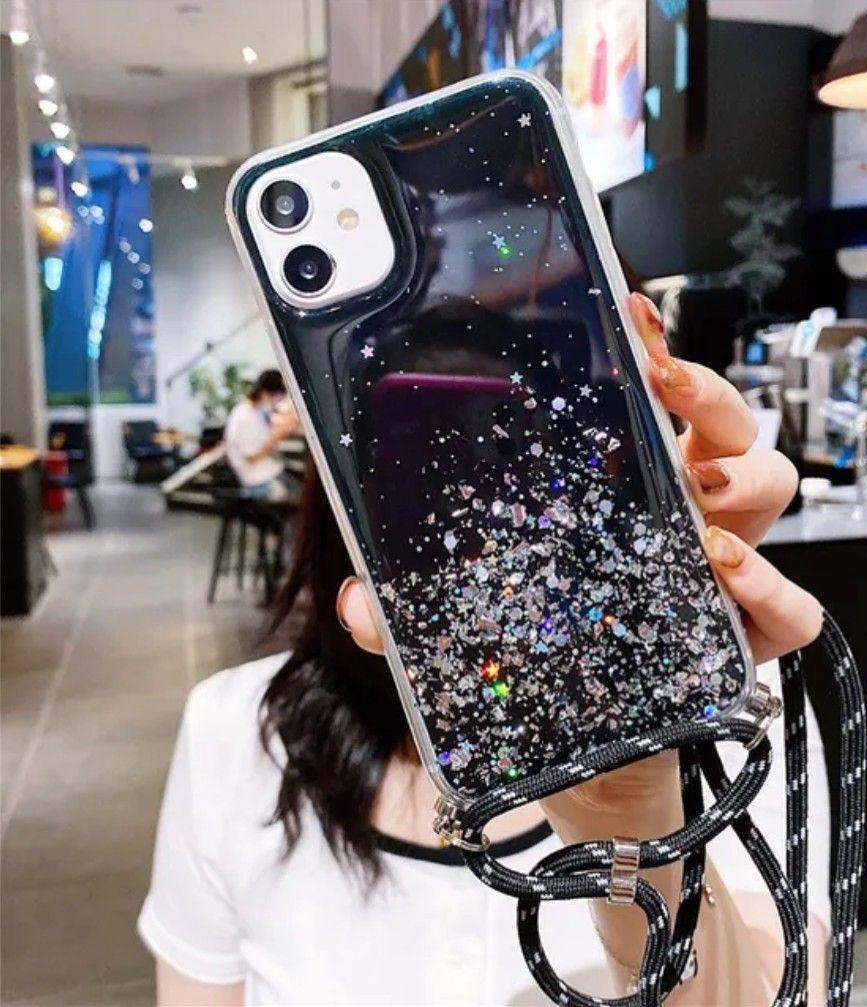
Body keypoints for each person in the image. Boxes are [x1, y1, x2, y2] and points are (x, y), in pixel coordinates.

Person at [140, 294, 829, 1006]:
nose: (463, 492)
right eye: (418, 455)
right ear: (350, 494)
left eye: (503, 447)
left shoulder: (724, 704)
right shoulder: (234, 730)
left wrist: (631, 812)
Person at [223, 369, 299, 498]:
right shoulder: (244, 417)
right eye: (280, 395)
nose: (281, 399)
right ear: (265, 393)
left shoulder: (257, 409)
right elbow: (251, 457)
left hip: (270, 470)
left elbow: (283, 413)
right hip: (259, 479)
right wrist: (277, 437)